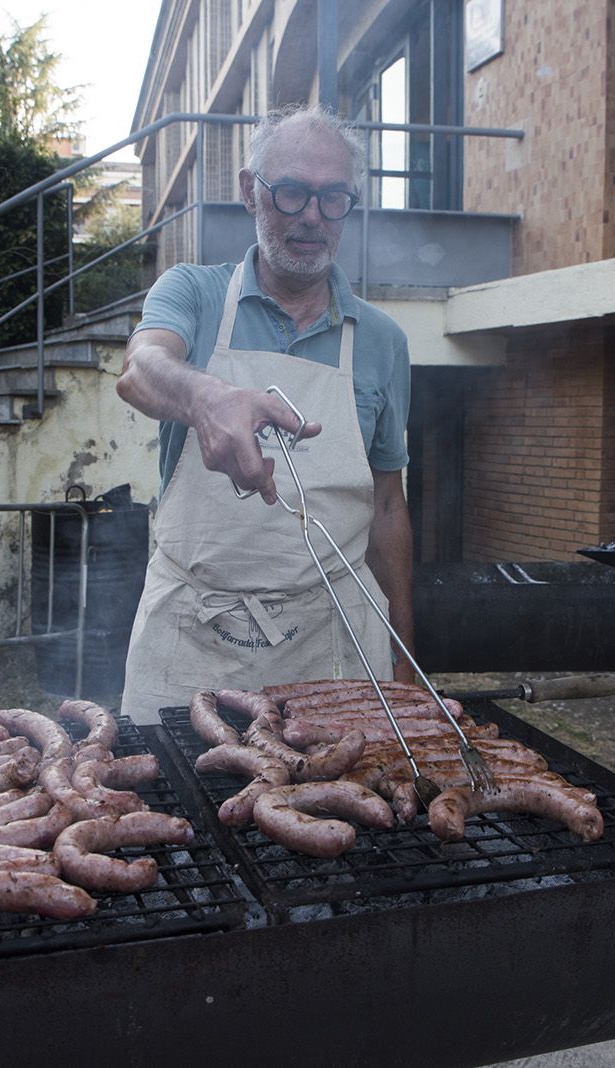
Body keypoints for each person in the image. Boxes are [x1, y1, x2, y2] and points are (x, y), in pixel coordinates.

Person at [113, 104, 415, 726]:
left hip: (333, 645)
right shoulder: (191, 293)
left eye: (333, 198)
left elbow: (388, 506)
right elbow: (140, 370)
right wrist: (206, 398)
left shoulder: (383, 342)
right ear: (251, 191)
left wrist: (406, 656)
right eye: (292, 193)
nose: (312, 216)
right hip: (192, 638)